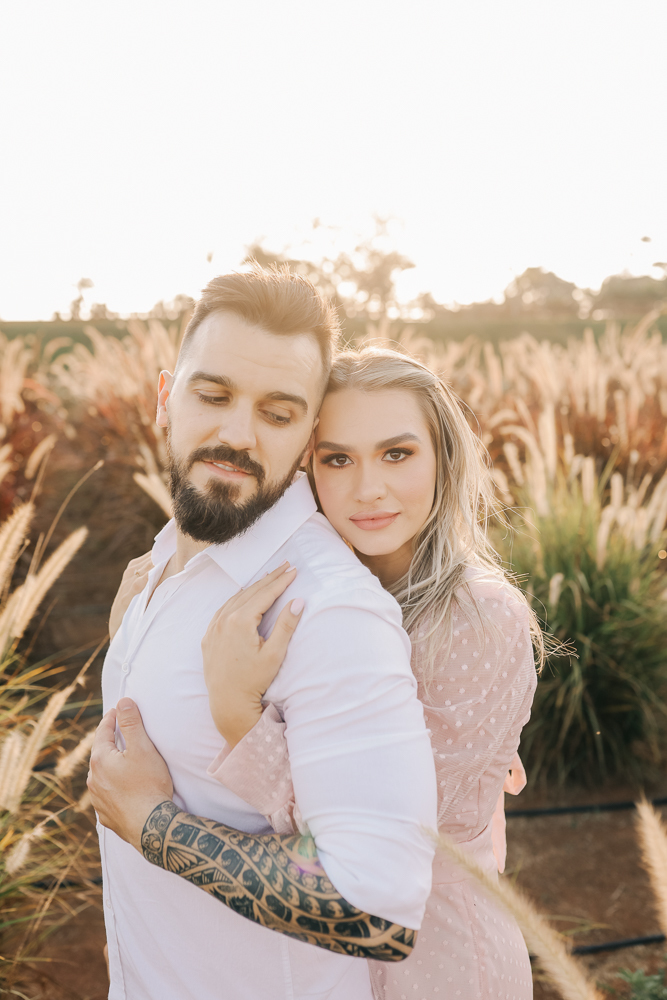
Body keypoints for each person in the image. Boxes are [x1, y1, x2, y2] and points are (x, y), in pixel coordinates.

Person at [87, 265, 438, 1000]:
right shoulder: (161, 558)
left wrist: (155, 827)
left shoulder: (328, 612)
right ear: (164, 398)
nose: (236, 433)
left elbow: (376, 910)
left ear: (309, 435)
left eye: (277, 414)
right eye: (212, 396)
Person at [179, 347, 541, 1000]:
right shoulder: (313, 600)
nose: (367, 488)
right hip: (313, 955)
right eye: (337, 458)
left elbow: (376, 828)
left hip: (432, 959)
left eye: (396, 454)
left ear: (442, 459)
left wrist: (236, 710)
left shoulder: (478, 618)